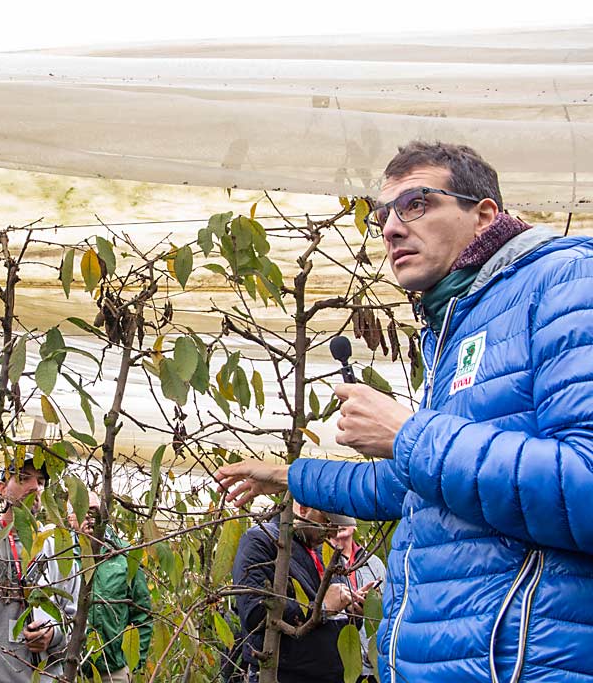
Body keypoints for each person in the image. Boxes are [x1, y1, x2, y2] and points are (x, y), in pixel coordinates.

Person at [216, 141, 593, 682]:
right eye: (382, 214)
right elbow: (413, 485)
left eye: (416, 203)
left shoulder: (567, 282)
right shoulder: (459, 323)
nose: (391, 228)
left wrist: (411, 433)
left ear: (485, 214)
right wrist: (286, 476)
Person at [0, 455, 79, 682]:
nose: (34, 487)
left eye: (40, 481)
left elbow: (76, 620)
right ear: (1, 488)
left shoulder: (58, 548)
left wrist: (53, 634)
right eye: (23, 478)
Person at [233, 504, 370, 683]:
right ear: (304, 509)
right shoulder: (261, 540)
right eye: (328, 522)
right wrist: (319, 608)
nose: (334, 534)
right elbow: (254, 613)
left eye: (338, 527)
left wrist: (353, 611)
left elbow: (333, 615)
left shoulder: (325, 551)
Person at [67, 491, 152, 683]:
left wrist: (133, 666)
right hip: (70, 668)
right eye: (82, 512)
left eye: (94, 512)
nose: (89, 518)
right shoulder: (60, 554)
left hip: (114, 671)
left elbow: (142, 613)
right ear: (70, 518)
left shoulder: (124, 554)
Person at [328, 520, 385, 682]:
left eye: (345, 515)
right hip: (334, 667)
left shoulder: (374, 563)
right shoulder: (319, 559)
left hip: (372, 668)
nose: (340, 521)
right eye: (334, 515)